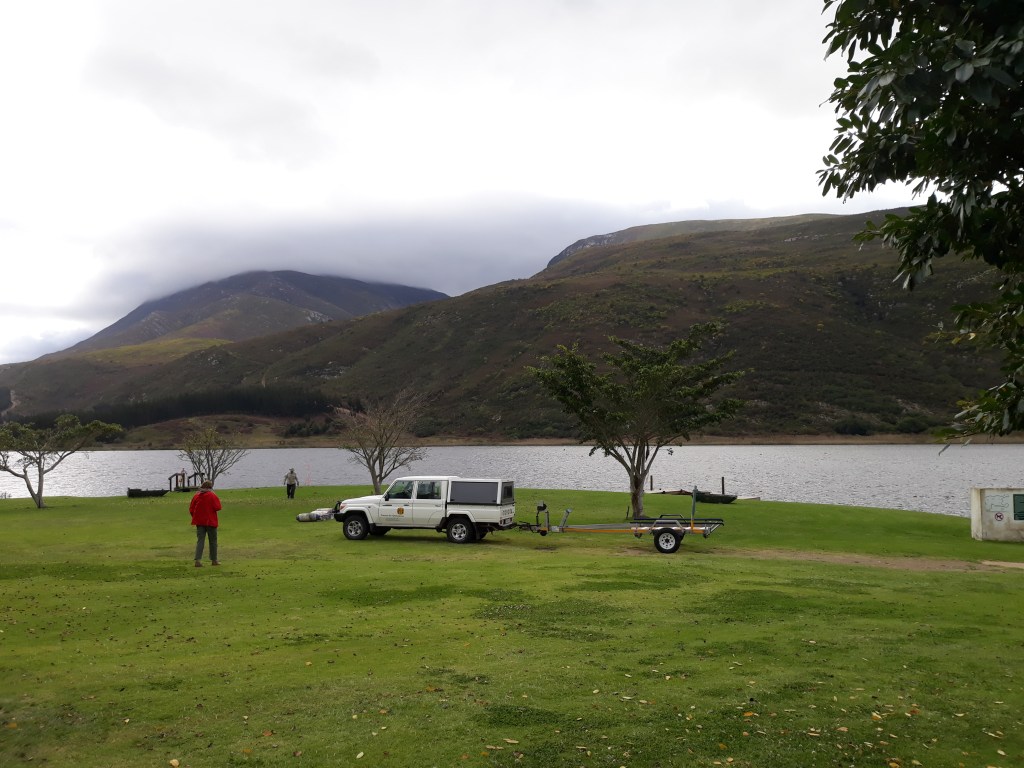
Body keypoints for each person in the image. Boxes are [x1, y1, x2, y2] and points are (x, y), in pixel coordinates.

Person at [189, 480, 222, 567]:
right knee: (213, 541)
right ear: (210, 487)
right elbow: (218, 507)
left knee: (200, 541)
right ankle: (214, 560)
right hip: (210, 521)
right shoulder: (212, 495)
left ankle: (197, 560)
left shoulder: (196, 495)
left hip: (199, 522)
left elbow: (191, 509)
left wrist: (196, 517)